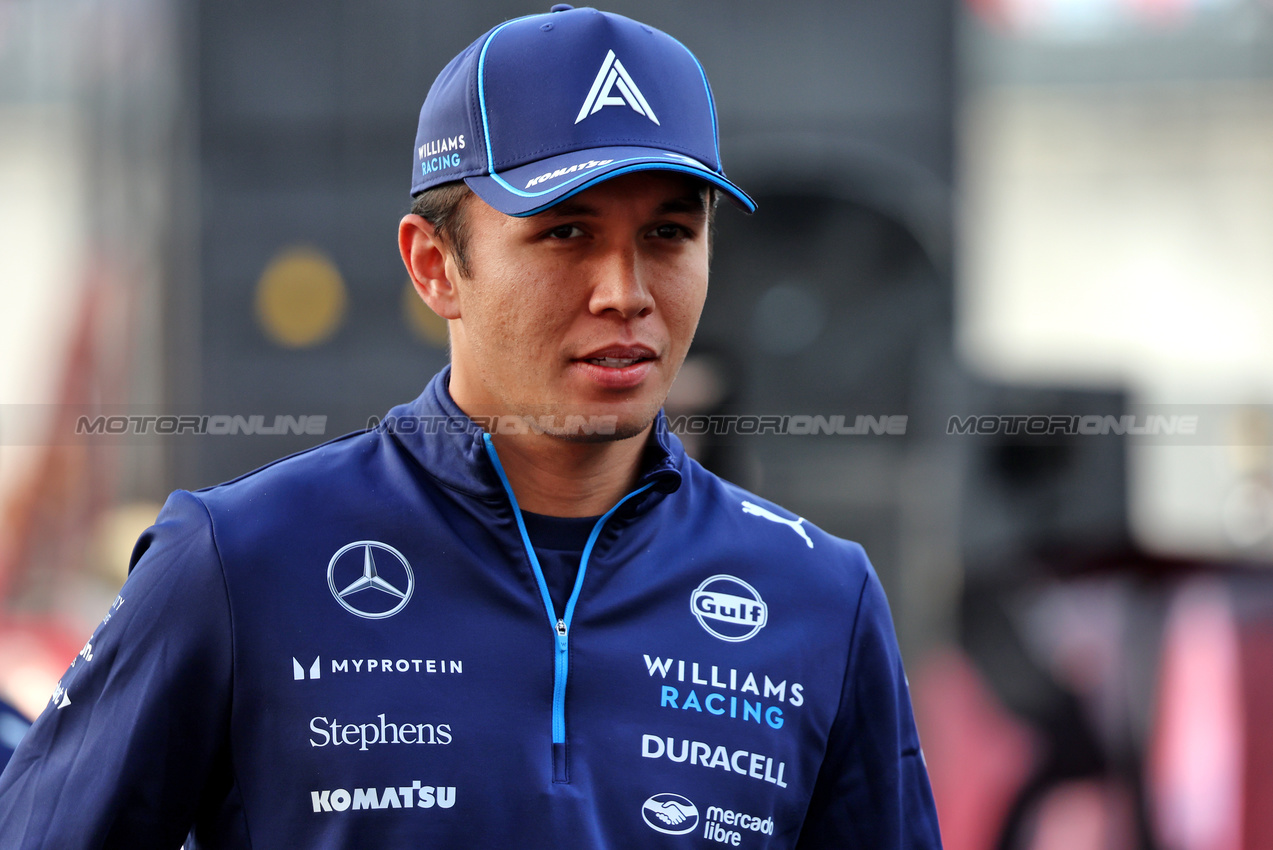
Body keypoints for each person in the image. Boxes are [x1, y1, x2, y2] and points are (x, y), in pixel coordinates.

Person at [0, 6, 942, 848]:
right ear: (434, 266)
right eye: (565, 232)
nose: (626, 294)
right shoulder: (237, 563)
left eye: (668, 234)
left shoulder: (820, 599)